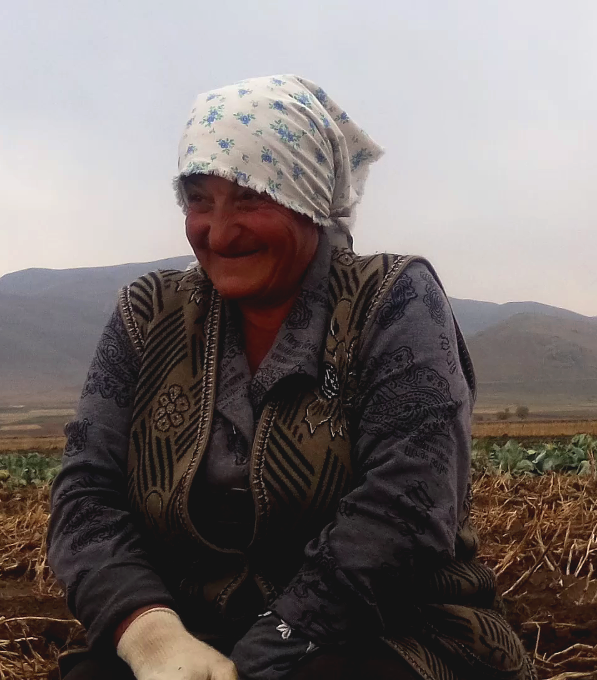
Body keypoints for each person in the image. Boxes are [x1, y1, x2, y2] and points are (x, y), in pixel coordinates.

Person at [47, 75, 534, 680]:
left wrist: (265, 654)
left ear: (308, 198)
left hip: (387, 632)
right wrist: (152, 637)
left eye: (250, 199)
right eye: (199, 200)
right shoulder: (148, 314)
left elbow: (409, 508)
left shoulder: (391, 302)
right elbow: (86, 495)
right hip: (189, 642)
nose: (219, 232)